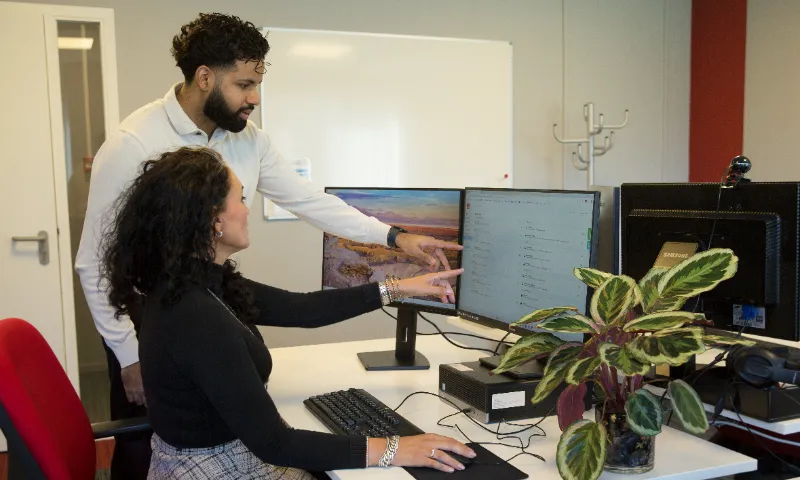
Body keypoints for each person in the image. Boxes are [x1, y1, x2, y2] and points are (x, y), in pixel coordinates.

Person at [75, 12, 461, 478]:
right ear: (204, 77)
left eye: (257, 84)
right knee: (144, 452)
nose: (254, 99)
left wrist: (397, 241)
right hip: (147, 330)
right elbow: (95, 263)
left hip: (190, 309)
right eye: (244, 85)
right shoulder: (133, 143)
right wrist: (128, 354)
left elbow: (309, 216)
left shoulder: (245, 154)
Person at [99, 146, 474, 479]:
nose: (247, 209)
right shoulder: (194, 315)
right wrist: (395, 448)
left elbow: (302, 309)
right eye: (240, 199)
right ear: (214, 220)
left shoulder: (194, 283)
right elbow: (275, 444)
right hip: (217, 468)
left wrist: (400, 287)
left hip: (219, 454)